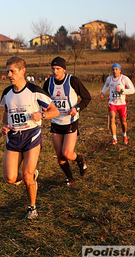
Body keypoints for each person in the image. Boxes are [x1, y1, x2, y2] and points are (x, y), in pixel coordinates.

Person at [0, 56, 59, 219]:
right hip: (13, 137)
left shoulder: (35, 91)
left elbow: (55, 111)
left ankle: (32, 207)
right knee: (10, 178)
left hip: (31, 136)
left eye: (13, 71)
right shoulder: (7, 93)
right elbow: (6, 111)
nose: (9, 74)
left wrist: (42, 114)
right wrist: (5, 125)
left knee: (26, 175)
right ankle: (32, 176)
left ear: (23, 71)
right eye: (8, 71)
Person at [43, 57, 92, 185]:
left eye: (58, 69)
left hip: (70, 121)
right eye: (53, 69)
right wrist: (44, 107)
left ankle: (80, 159)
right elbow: (43, 99)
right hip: (56, 122)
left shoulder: (73, 81)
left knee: (68, 153)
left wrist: (77, 108)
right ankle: (70, 178)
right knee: (60, 156)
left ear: (64, 69)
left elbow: (87, 97)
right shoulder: (48, 83)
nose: (55, 71)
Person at [100, 63, 135, 145]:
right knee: (112, 119)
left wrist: (122, 91)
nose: (114, 71)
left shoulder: (124, 79)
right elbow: (106, 86)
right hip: (112, 102)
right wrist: (103, 92)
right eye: (113, 69)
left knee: (123, 122)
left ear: (120, 70)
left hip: (122, 103)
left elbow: (132, 90)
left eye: (116, 69)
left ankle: (124, 135)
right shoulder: (109, 78)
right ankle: (114, 138)